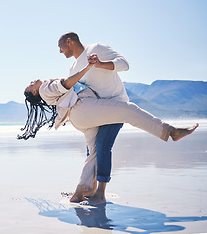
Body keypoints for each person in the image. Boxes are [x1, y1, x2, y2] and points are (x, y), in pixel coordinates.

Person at [18, 57, 199, 205]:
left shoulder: (45, 92)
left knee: (94, 154)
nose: (32, 82)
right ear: (35, 93)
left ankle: (81, 191)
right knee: (128, 110)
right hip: (83, 109)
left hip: (79, 118)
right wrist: (88, 67)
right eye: (30, 86)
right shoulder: (44, 88)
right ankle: (169, 132)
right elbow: (66, 83)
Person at [59, 32, 130, 204]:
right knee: (91, 151)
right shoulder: (73, 68)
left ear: (70, 42)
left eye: (61, 46)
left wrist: (100, 64)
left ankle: (101, 192)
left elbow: (125, 65)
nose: (60, 51)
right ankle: (89, 188)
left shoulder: (97, 48)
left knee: (102, 146)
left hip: (116, 105)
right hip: (96, 112)